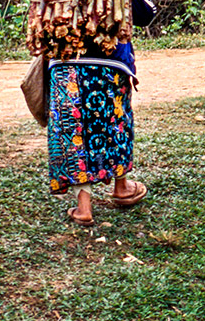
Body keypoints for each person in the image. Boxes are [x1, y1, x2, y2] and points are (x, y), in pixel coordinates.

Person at [48, 38, 147, 226]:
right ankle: (122, 186)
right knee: (113, 123)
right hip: (109, 63)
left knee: (73, 132)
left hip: (65, 63)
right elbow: (145, 14)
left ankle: (83, 207)